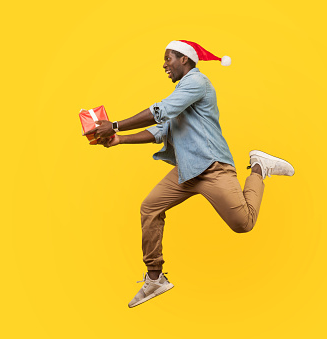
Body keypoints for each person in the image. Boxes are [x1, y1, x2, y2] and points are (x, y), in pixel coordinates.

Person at [83, 40, 295, 308]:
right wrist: (118, 139)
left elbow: (160, 111)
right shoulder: (182, 94)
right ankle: (155, 278)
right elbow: (160, 130)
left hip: (212, 167)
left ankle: (258, 168)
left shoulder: (197, 82)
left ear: (184, 59)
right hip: (187, 171)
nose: (164, 64)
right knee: (149, 208)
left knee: (244, 223)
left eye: (168, 58)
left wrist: (114, 124)